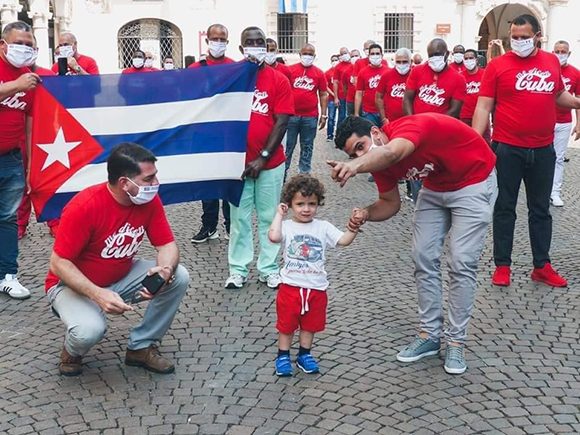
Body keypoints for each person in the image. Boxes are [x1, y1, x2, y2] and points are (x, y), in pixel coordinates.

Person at [329, 114, 497, 375]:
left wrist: (356, 166)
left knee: (462, 262)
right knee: (423, 256)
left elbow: (395, 152)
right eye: (354, 154)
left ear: (375, 132)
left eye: (361, 146)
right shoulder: (375, 162)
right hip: (435, 188)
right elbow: (390, 203)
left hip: (474, 179)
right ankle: (430, 335)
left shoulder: (409, 127)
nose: (360, 155)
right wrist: (365, 213)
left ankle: (455, 341)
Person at [46, 143, 189, 376]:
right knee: (89, 331)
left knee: (178, 275)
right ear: (125, 183)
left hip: (121, 276)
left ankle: (140, 347)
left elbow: (166, 245)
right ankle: (72, 351)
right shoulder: (85, 206)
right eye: (149, 178)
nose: (155, 184)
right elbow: (59, 263)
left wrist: (164, 270)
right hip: (70, 285)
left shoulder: (148, 202)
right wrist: (98, 294)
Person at [473, 14, 580, 288]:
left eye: (524, 37)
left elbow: (558, 95)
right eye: (514, 37)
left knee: (540, 209)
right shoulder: (497, 66)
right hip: (508, 148)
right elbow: (484, 106)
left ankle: (541, 265)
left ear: (537, 36)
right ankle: (502, 265)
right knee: (505, 207)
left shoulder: (550, 62)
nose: (518, 41)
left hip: (543, 149)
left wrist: (578, 103)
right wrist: (475, 142)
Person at [268, 174, 362, 376]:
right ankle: (282, 355)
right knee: (286, 325)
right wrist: (279, 215)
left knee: (310, 325)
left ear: (318, 203)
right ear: (290, 204)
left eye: (311, 204)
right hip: (290, 287)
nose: (306, 209)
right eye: (300, 204)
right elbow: (274, 236)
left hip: (316, 288)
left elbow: (343, 241)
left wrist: (353, 228)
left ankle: (304, 354)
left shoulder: (323, 226)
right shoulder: (287, 226)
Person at [224, 26, 294, 290]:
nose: (256, 46)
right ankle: (238, 269)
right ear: (241, 48)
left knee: (269, 217)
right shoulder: (230, 79)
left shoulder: (278, 80)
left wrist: (262, 158)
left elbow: (282, 121)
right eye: (250, 42)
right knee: (239, 219)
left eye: (260, 42)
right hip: (237, 165)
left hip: (271, 163)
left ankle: (269, 268)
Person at [0, 21, 40, 300]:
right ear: (3, 44)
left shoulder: (29, 79)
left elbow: (30, 123)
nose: (24, 49)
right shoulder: (22, 81)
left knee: (7, 218)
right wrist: (15, 85)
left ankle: (7, 275)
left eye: (29, 44)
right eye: (18, 43)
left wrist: (30, 165)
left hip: (11, 158)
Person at [403, 38, 466, 201]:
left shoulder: (458, 79)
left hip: (442, 133)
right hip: (418, 132)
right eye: (431, 55)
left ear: (447, 54)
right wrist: (412, 122)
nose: (434, 58)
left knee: (439, 169)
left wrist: (434, 126)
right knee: (417, 170)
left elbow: (455, 109)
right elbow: (408, 98)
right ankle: (419, 202)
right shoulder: (417, 72)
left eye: (438, 54)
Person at [189, 24, 235, 243]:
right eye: (214, 38)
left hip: (228, 135)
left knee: (227, 183)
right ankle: (209, 226)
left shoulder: (236, 67)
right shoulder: (196, 69)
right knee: (207, 184)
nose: (218, 42)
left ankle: (230, 225)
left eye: (222, 39)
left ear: (227, 41)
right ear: (207, 41)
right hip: (203, 135)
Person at [285, 43, 328, 176]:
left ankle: (304, 174)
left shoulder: (319, 73)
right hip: (291, 116)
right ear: (300, 54)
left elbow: (323, 94)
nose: (307, 56)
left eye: (310, 54)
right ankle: (282, 173)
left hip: (310, 116)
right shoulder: (290, 70)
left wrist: (324, 115)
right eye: (305, 53)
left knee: (307, 146)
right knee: (287, 146)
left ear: (314, 56)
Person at [551, 40, 579, 207]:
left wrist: (579, 123)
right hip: (545, 121)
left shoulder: (576, 73)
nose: (560, 54)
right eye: (557, 51)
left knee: (559, 158)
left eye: (563, 51)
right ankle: (542, 190)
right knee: (543, 158)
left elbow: (578, 101)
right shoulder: (547, 70)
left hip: (563, 122)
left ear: (568, 54)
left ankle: (555, 192)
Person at [354, 43, 390, 126]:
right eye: (372, 54)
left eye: (377, 53)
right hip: (368, 112)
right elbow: (359, 93)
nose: (375, 56)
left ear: (382, 55)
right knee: (371, 137)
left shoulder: (388, 71)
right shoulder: (363, 72)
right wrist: (356, 113)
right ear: (369, 56)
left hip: (385, 112)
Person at [459, 49, 490, 143]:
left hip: (481, 116)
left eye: (471, 58)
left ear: (476, 60)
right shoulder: (460, 77)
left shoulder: (485, 74)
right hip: (464, 116)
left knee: (483, 143)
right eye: (466, 58)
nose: (468, 60)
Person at [375, 47, 411, 125]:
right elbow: (378, 97)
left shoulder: (415, 75)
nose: (401, 64)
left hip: (410, 121)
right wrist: (384, 118)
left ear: (410, 61)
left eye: (404, 62)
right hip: (391, 122)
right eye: (398, 62)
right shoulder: (387, 75)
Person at [333, 47, 351, 127]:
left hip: (353, 96)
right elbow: (335, 82)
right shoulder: (338, 67)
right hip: (342, 96)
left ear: (349, 53)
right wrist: (336, 97)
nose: (344, 55)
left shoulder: (355, 64)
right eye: (342, 54)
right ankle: (339, 135)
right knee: (342, 116)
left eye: (345, 53)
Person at [325, 54, 339, 141]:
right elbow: (325, 87)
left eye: (336, 60)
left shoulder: (341, 71)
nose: (334, 62)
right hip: (331, 99)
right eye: (333, 60)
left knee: (342, 118)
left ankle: (339, 135)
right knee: (331, 117)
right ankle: (330, 135)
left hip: (342, 98)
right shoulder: (327, 73)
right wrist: (334, 94)